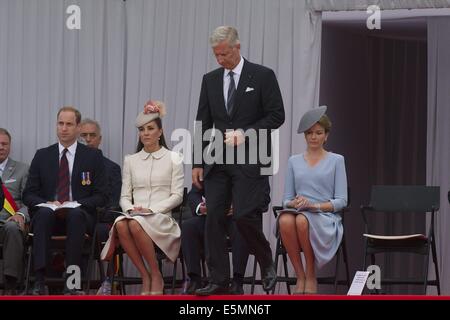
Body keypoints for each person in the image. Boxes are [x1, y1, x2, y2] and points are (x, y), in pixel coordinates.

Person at [192, 26, 285, 295]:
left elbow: (277, 115)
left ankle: (266, 260)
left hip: (250, 158)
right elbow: (203, 122)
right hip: (216, 159)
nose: (220, 60)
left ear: (237, 47)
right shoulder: (210, 80)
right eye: (216, 55)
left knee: (244, 215)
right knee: (213, 219)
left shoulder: (263, 75)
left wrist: (246, 134)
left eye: (224, 54)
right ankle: (219, 279)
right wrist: (197, 161)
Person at [100, 101, 184, 295]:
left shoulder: (174, 157)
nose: (145, 133)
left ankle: (155, 274)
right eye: (142, 129)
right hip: (135, 216)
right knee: (122, 224)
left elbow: (178, 195)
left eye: (150, 128)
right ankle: (146, 275)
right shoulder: (131, 160)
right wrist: (130, 209)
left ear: (160, 132)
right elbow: (124, 196)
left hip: (161, 218)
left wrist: (151, 210)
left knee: (134, 224)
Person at [23, 106, 108, 295]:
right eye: (60, 123)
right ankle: (39, 282)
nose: (64, 128)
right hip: (49, 216)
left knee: (76, 215)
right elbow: (28, 194)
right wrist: (48, 203)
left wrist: (75, 204)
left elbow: (102, 195)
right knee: (44, 214)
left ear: (78, 128)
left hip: (79, 216)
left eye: (69, 124)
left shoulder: (93, 156)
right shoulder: (42, 155)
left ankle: (72, 282)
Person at [280, 106, 347, 294]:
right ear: (305, 136)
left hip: (324, 217)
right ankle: (299, 275)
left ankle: (311, 273)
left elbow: (342, 201)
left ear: (326, 135)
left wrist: (314, 206)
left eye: (318, 133)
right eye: (310, 133)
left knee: (302, 220)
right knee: (285, 219)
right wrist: (295, 203)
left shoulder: (337, 160)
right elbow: (286, 200)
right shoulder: (294, 161)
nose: (314, 137)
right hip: (299, 211)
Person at [181, 185, 250, 295]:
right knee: (188, 227)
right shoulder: (210, 168)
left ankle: (237, 281)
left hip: (237, 215)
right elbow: (193, 193)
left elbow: (262, 198)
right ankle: (195, 280)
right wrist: (200, 206)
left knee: (242, 226)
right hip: (211, 215)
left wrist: (238, 206)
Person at [79, 119, 122, 295]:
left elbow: (113, 202)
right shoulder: (68, 165)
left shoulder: (111, 168)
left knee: (105, 230)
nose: (88, 139)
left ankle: (108, 282)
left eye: (92, 135)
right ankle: (71, 285)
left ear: (99, 139)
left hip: (100, 219)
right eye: (84, 135)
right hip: (76, 218)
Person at [0, 128, 30, 294]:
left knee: (12, 228)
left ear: (10, 146)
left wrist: (21, 214)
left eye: (4, 144)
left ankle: (11, 283)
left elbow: (30, 201)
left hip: (10, 223)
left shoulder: (22, 169)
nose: (1, 147)